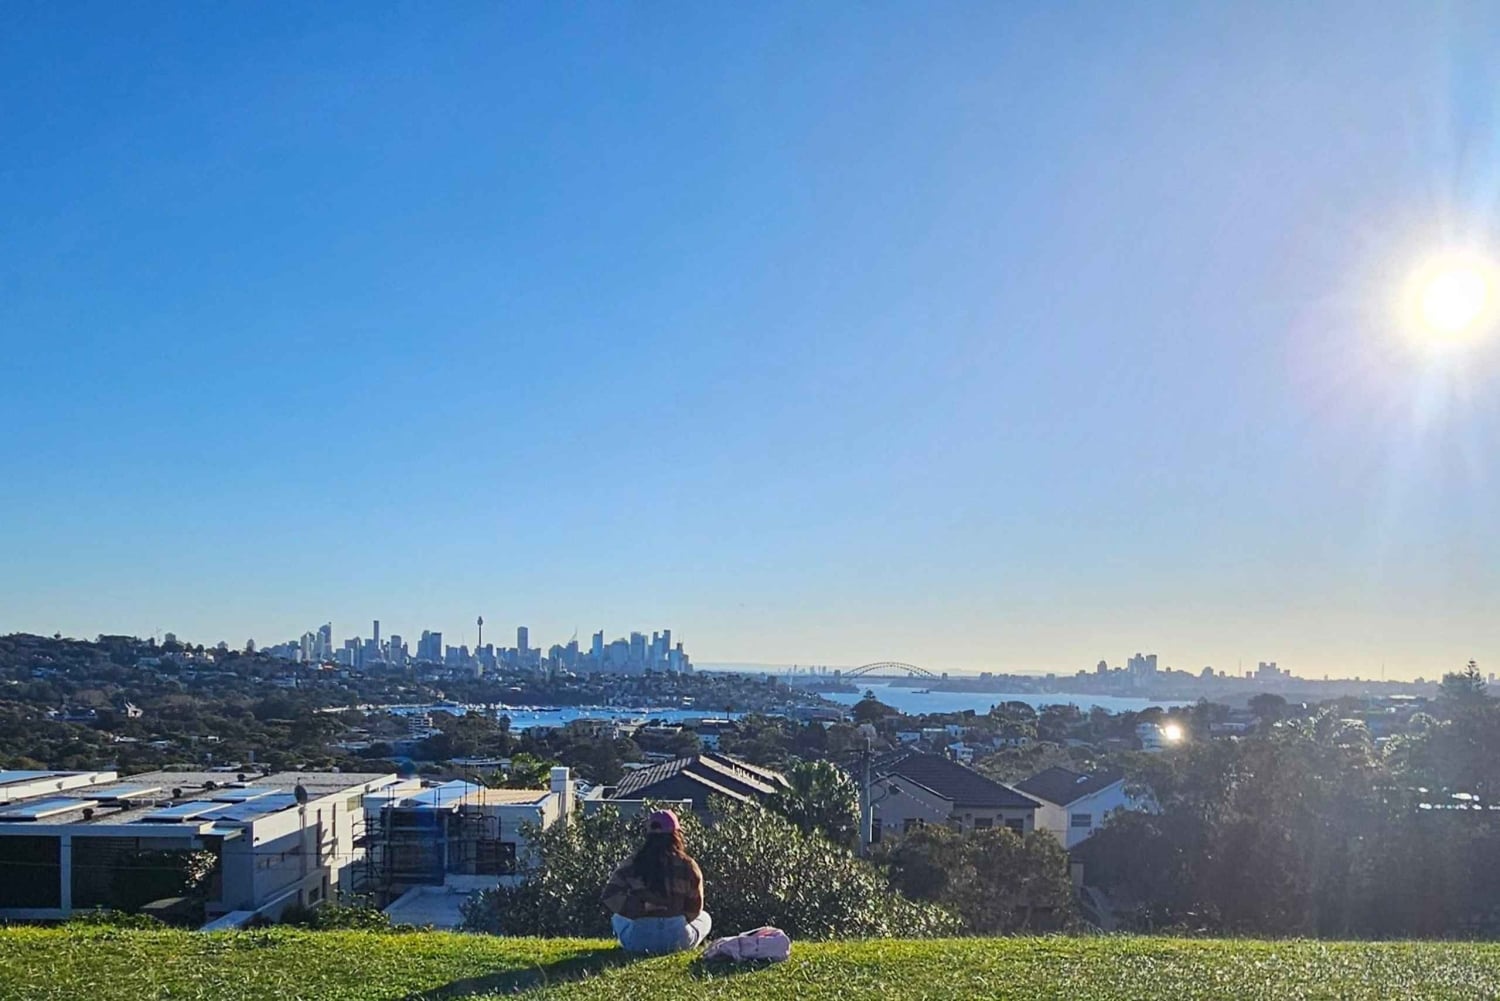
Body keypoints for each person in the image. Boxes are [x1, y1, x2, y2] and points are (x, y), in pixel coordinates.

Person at [601, 809, 712, 954]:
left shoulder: (634, 862)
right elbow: (695, 908)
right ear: (676, 834)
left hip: (639, 941)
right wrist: (677, 917)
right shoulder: (688, 865)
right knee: (705, 917)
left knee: (617, 918)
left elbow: (610, 896)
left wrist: (642, 908)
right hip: (677, 939)